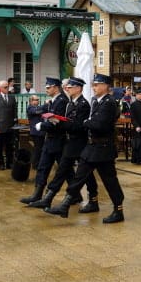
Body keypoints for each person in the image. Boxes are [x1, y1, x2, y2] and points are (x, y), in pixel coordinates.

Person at [47, 73, 125, 223]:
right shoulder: (97, 101)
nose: (94, 87)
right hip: (93, 146)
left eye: (96, 85)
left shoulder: (109, 103)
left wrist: (87, 122)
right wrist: (89, 121)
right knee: (79, 176)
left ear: (105, 86)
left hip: (103, 148)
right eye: (93, 85)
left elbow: (99, 125)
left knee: (110, 180)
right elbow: (92, 121)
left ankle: (118, 210)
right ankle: (65, 204)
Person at [26, 77, 99, 212]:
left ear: (78, 88)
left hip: (79, 142)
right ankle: (49, 198)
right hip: (70, 142)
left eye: (70, 87)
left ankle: (91, 199)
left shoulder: (83, 104)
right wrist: (58, 122)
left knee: (84, 174)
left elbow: (78, 126)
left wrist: (59, 122)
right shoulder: (71, 103)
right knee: (65, 171)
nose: (67, 89)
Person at [24, 78, 69, 202]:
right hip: (50, 139)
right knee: (43, 167)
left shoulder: (61, 101)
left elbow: (57, 121)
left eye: (49, 87)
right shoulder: (54, 101)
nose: (46, 89)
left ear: (56, 87)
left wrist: (42, 126)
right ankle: (37, 194)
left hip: (58, 140)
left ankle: (75, 194)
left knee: (66, 170)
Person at [0, 80, 17, 170]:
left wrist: (15, 123)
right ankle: (1, 163)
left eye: (8, 87)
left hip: (10, 126)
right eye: (5, 87)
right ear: (0, 88)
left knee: (10, 146)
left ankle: (9, 163)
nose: (7, 89)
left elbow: (15, 111)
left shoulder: (12, 97)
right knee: (0, 146)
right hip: (0, 127)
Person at [25, 95, 45, 169]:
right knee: (38, 149)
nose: (37, 101)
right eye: (36, 100)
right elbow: (37, 111)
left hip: (41, 131)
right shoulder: (30, 108)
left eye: (38, 99)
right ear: (31, 101)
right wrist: (46, 105)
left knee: (39, 148)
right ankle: (35, 165)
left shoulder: (38, 107)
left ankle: (37, 163)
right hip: (36, 132)